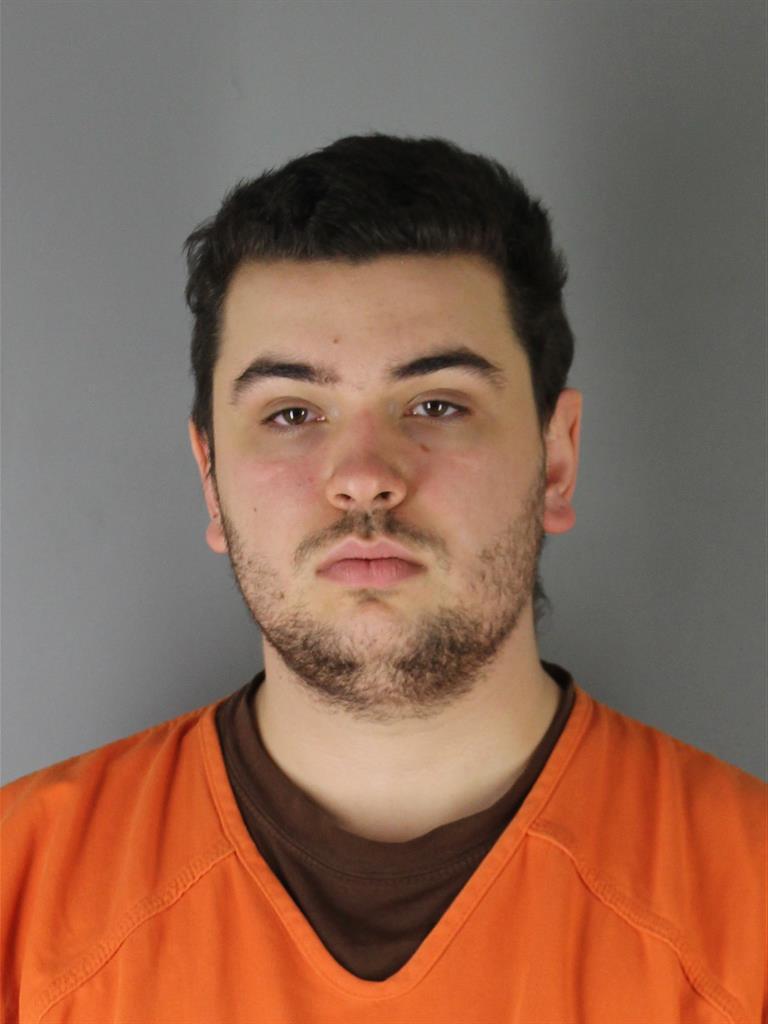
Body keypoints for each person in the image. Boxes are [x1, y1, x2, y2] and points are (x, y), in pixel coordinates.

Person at [2, 134, 764, 1024]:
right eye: (293, 412)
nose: (363, 476)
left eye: (437, 404)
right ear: (210, 478)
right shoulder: (21, 895)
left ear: (557, 460)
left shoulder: (748, 906)